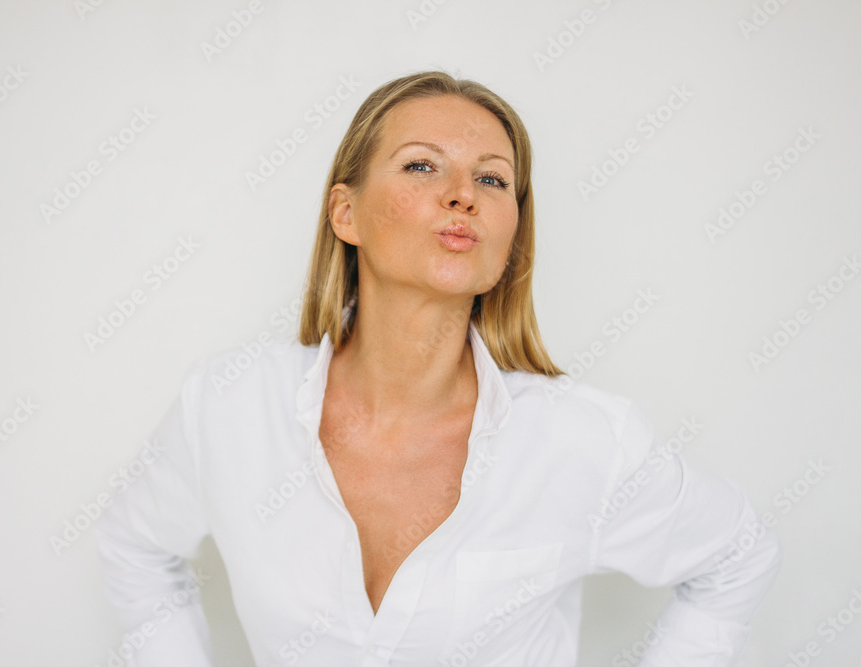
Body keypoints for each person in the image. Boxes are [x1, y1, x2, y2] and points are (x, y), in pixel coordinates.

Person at [93, 70, 782, 666]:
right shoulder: (227, 407)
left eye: (492, 178)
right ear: (346, 211)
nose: (463, 193)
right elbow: (134, 546)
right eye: (423, 165)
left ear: (511, 237)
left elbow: (738, 554)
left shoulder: (586, 441)